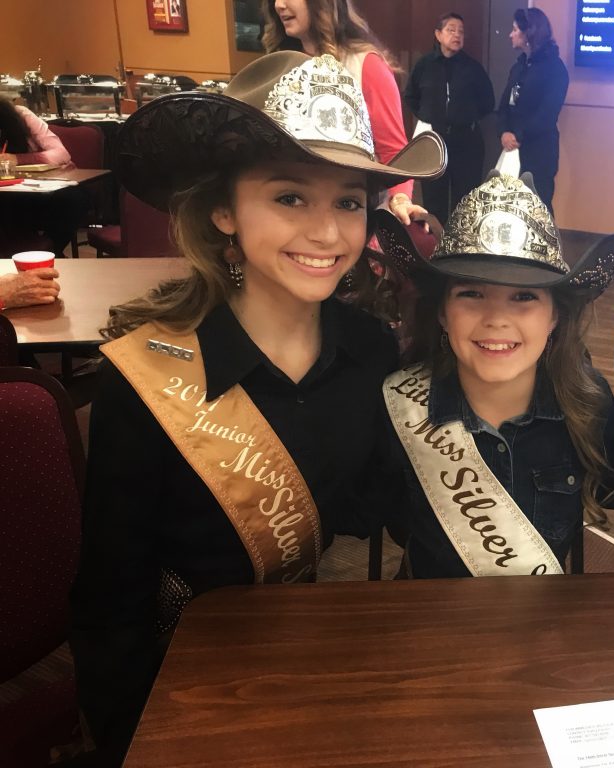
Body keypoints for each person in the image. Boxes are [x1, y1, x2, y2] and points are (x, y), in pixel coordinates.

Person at [69, 51, 445, 764]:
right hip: (181, 692)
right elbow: (110, 602)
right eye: (289, 196)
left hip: (322, 672)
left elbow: (376, 512)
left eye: (348, 201)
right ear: (222, 211)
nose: (328, 233)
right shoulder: (143, 378)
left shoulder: (371, 351)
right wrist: (127, 741)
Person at [372, 173, 614, 578]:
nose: (496, 319)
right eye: (471, 294)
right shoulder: (397, 406)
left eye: (524, 297)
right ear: (442, 312)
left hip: (541, 626)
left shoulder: (588, 403)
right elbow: (391, 519)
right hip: (427, 622)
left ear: (554, 316)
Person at [263, 0, 426, 226]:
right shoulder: (276, 65)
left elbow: (394, 152)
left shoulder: (364, 65)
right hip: (286, 214)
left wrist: (400, 199)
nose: (279, 4)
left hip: (348, 217)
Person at [405, 12, 495, 226]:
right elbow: (411, 96)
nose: (457, 35)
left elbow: (487, 102)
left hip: (466, 141)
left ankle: (460, 247)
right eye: (451, 30)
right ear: (438, 34)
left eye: (461, 31)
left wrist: (466, 116)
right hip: (434, 140)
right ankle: (434, 247)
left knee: (464, 199)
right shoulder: (425, 65)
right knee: (433, 198)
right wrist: (428, 115)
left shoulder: (472, 68)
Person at [496, 8, 568, 215]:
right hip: (512, 149)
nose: (510, 34)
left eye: (515, 29)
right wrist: (503, 131)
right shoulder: (519, 66)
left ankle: (544, 248)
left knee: (537, 209)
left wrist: (518, 135)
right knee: (510, 209)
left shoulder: (554, 69)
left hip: (539, 151)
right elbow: (504, 105)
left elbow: (547, 114)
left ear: (529, 33)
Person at [0, 99, 83, 256]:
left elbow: (62, 154)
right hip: (7, 195)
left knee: (75, 199)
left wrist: (17, 159)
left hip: (37, 191)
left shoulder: (21, 116)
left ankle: (48, 251)